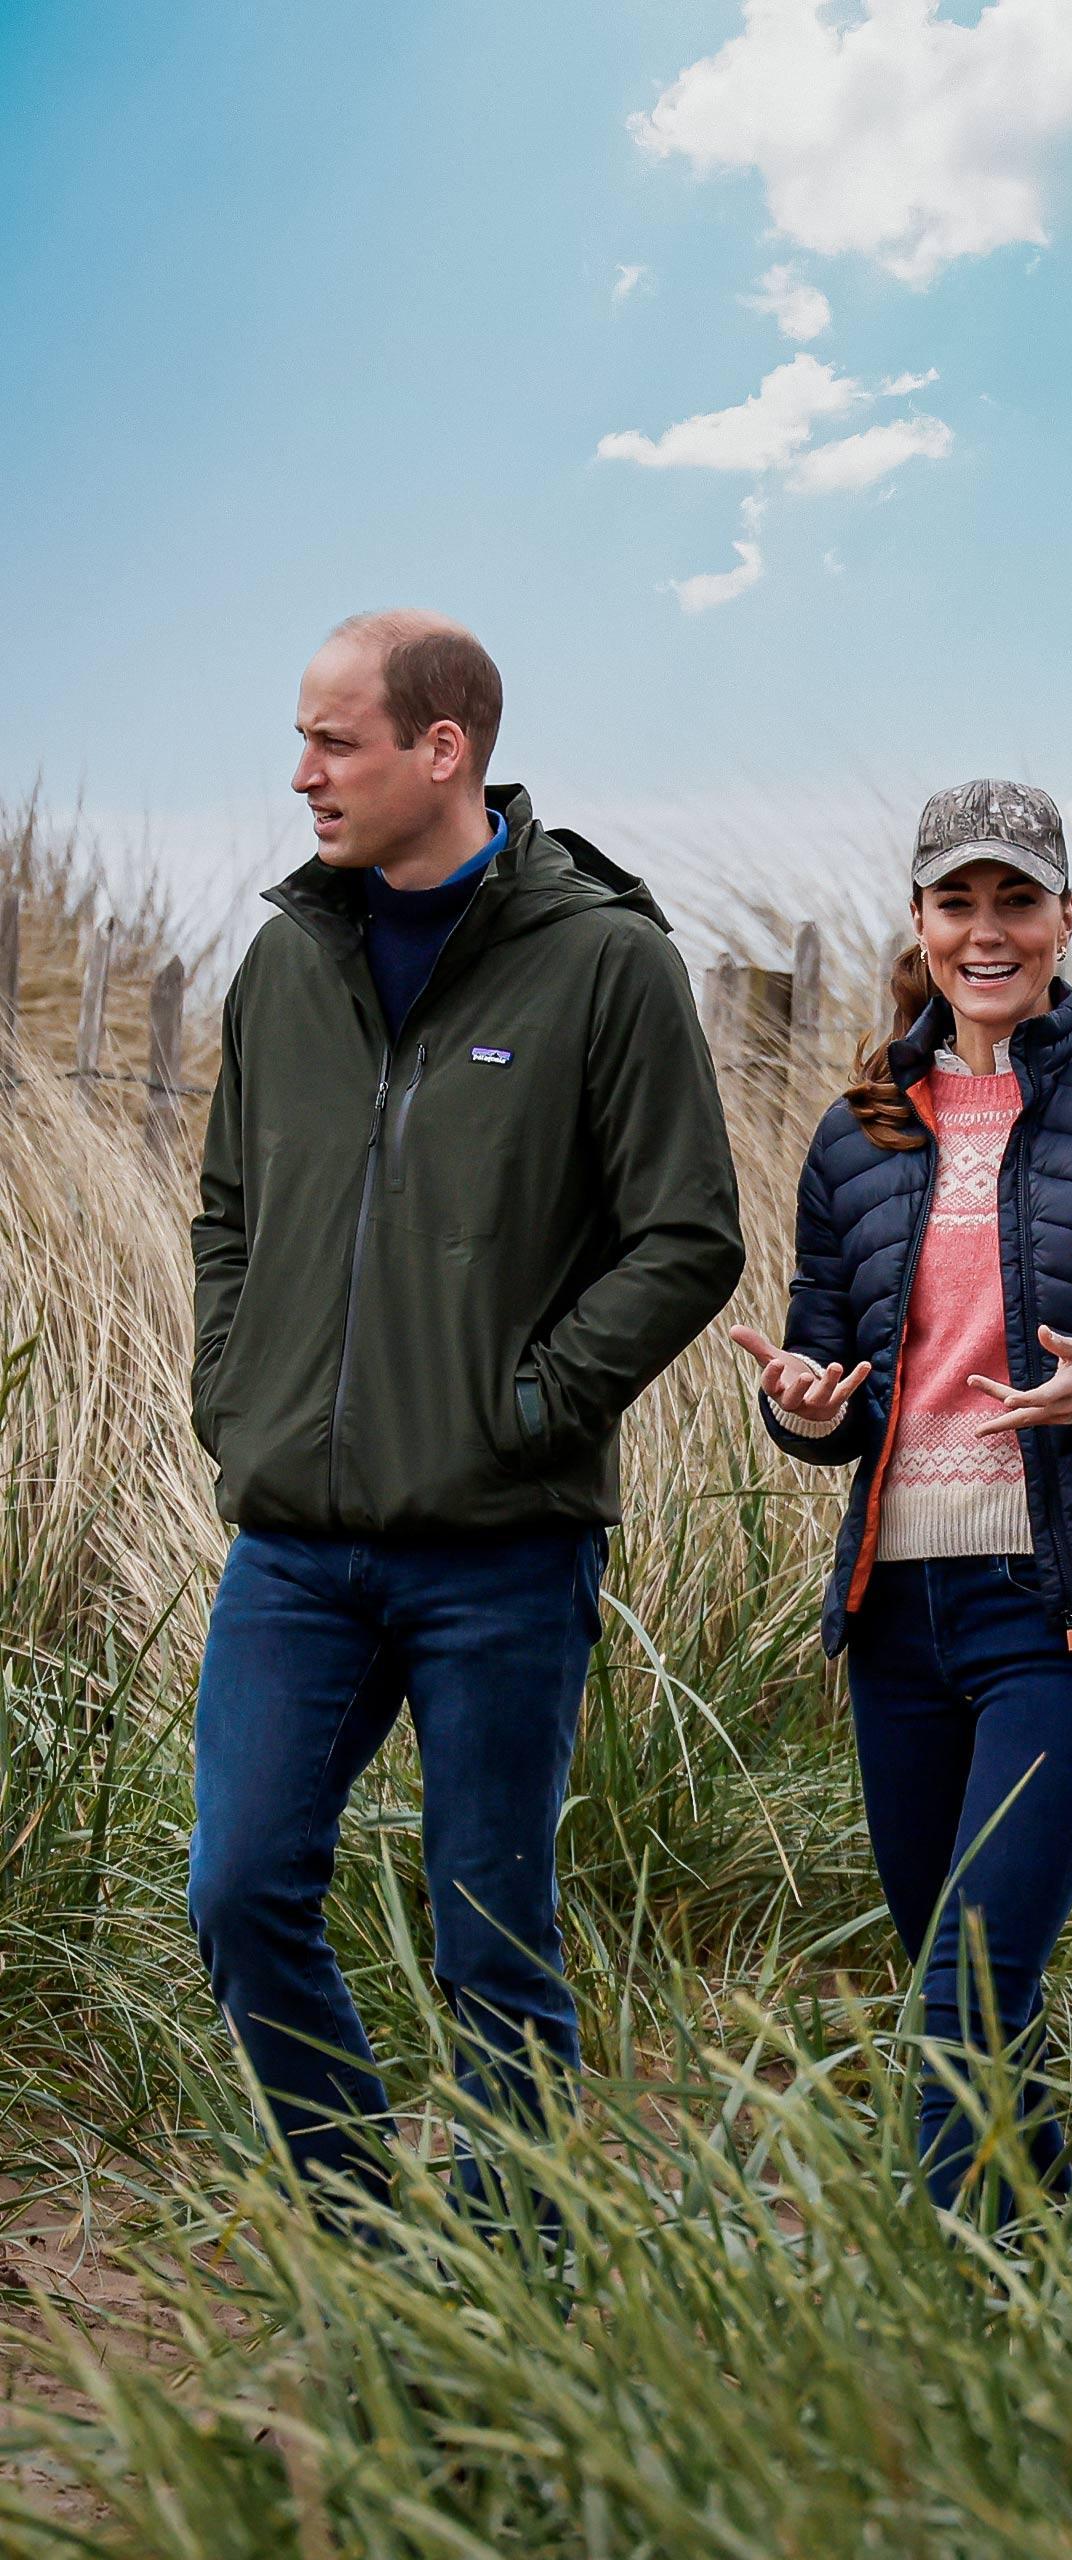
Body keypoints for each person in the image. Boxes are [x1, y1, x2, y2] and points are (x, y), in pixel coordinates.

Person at [188, 609, 744, 2213]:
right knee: (238, 1891)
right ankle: (369, 2234)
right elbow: (228, 1211)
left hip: (503, 1546)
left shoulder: (606, 961)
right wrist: (237, 1391)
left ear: (445, 751)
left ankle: (519, 2277)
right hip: (294, 1545)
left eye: (334, 741)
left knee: (490, 1934)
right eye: (302, 741)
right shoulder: (287, 959)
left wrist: (529, 1406)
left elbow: (688, 1235)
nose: (305, 774)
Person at [733, 779, 1072, 2220]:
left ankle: (936, 2302)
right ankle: (1059, 2258)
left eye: (1016, 901)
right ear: (919, 924)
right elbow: (825, 1371)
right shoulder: (858, 1133)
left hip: (1062, 1606)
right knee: (970, 1990)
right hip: (896, 1615)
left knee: (966, 1995)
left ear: (1065, 919)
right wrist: (803, 1409)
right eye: (957, 903)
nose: (987, 933)